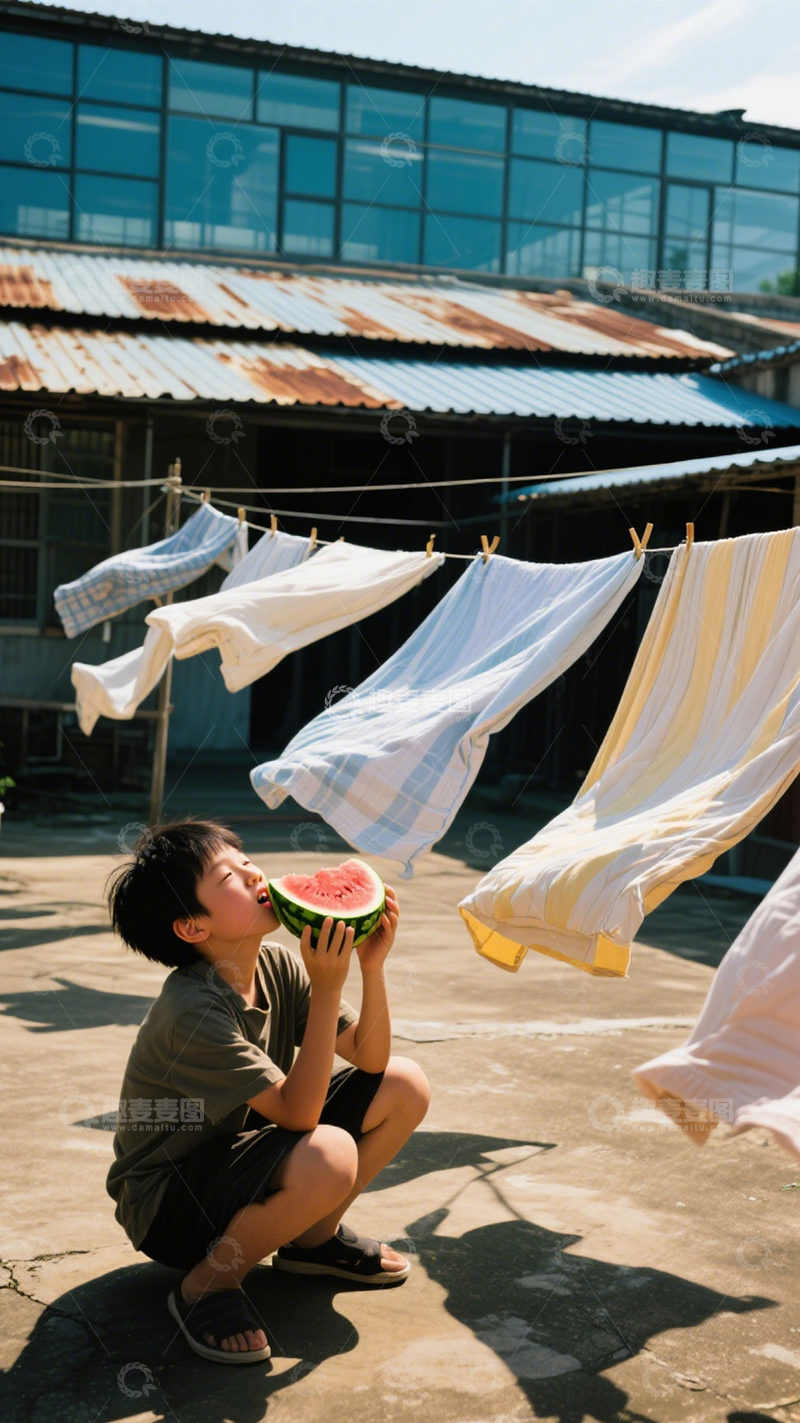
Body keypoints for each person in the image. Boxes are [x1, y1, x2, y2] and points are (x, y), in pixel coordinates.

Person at [104, 816, 430, 1365]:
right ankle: (207, 1284)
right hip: (170, 1204)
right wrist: (328, 987)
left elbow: (371, 1057)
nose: (254, 874)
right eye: (227, 877)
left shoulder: (276, 964)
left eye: (247, 860)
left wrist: (371, 968)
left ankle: (313, 1242)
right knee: (328, 1153)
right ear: (192, 927)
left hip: (240, 1157)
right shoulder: (191, 1012)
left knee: (404, 1083)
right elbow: (300, 1115)